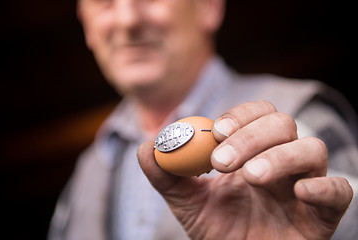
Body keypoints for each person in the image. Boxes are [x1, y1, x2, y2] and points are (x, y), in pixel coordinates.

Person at [48, 0, 358, 239]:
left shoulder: (299, 120)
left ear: (209, 6)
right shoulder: (84, 176)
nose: (128, 20)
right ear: (86, 23)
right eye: (104, 2)